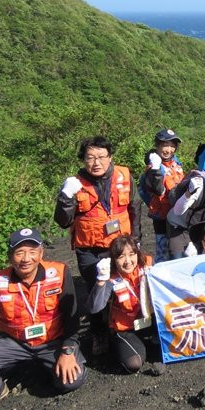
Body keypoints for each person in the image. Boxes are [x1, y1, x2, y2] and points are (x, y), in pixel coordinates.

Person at [0, 229, 86, 410]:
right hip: (14, 342)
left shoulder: (59, 272)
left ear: (41, 253)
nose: (26, 258)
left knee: (72, 380)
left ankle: (43, 366)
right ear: (10, 257)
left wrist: (67, 352)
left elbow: (71, 317)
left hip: (52, 341)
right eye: (19, 252)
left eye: (32, 252)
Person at [53, 136, 141, 355]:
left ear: (110, 157)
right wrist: (65, 197)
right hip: (90, 249)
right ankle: (99, 333)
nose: (96, 162)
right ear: (83, 159)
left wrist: (136, 239)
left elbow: (135, 207)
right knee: (96, 290)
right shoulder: (74, 184)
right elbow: (63, 221)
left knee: (128, 284)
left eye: (101, 156)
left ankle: (128, 326)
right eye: (90, 157)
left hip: (121, 246)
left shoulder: (125, 175)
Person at [87, 236, 154, 373]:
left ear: (138, 253)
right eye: (121, 257)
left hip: (151, 320)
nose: (128, 261)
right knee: (133, 364)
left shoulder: (148, 264)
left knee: (173, 345)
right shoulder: (110, 277)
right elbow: (94, 308)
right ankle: (116, 342)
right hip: (125, 327)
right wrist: (100, 281)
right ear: (113, 259)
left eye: (132, 254)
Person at [139, 128, 185, 263]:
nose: (169, 149)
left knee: (178, 250)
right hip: (162, 216)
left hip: (177, 213)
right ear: (157, 146)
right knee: (163, 252)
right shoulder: (154, 167)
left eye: (172, 146)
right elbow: (158, 189)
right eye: (165, 145)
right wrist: (155, 170)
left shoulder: (175, 164)